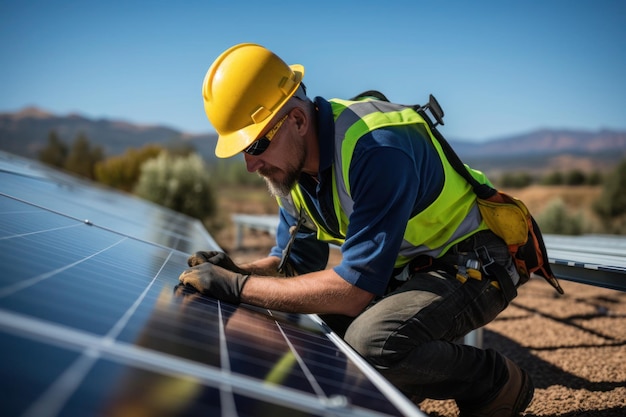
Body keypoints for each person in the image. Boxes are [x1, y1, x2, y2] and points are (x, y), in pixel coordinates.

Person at [179, 43, 534, 417]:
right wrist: (236, 271)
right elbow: (293, 265)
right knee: (305, 328)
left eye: (257, 144)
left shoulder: (376, 149)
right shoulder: (291, 172)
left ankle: (492, 381)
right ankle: (391, 392)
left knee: (372, 345)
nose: (251, 164)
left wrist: (238, 288)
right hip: (407, 270)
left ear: (298, 121)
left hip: (473, 261)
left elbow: (353, 291)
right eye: (243, 150)